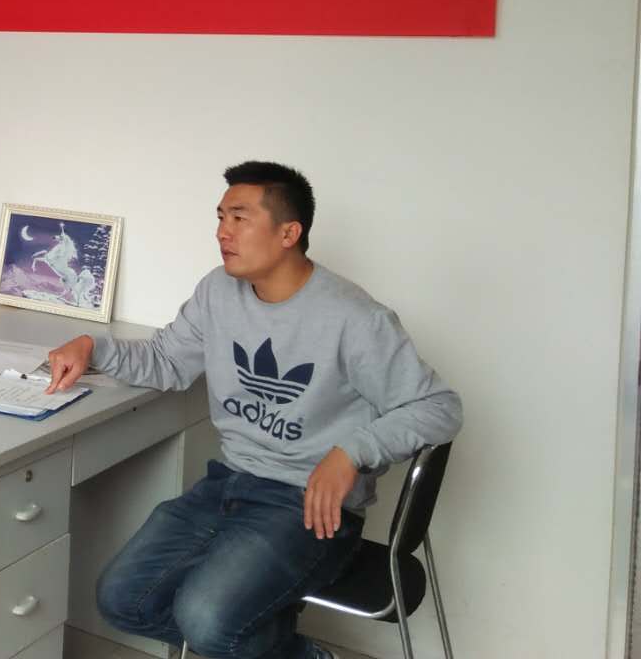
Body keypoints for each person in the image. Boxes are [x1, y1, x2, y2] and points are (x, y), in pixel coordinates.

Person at [47, 161, 462, 659]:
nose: (222, 232)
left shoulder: (354, 318)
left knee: (206, 620)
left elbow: (438, 407)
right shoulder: (218, 292)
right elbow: (166, 361)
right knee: (121, 600)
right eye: (221, 217)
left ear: (289, 233)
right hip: (229, 484)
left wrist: (351, 451)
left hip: (309, 507)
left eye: (240, 218)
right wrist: (93, 346)